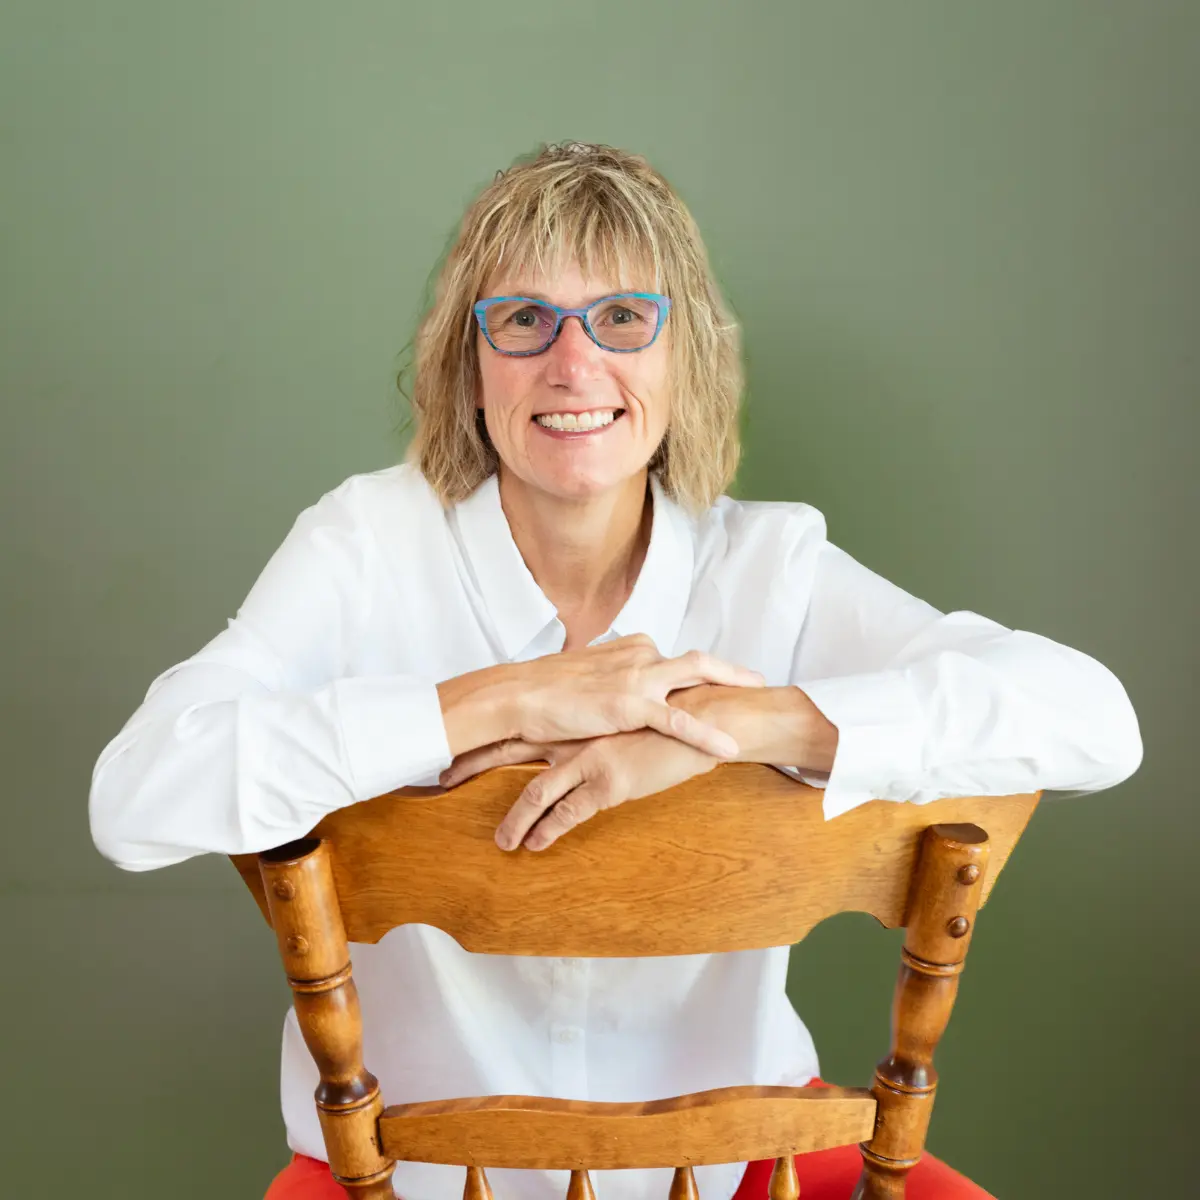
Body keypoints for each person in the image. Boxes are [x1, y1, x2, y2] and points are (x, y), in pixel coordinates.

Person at [89, 142, 1142, 1200]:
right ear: (469, 360)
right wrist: (494, 701)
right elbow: (133, 797)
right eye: (524, 320)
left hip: (747, 1165)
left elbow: (1097, 720)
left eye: (624, 319)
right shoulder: (365, 544)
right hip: (409, 1174)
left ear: (687, 361)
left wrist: (729, 725)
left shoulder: (770, 565)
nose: (574, 365)